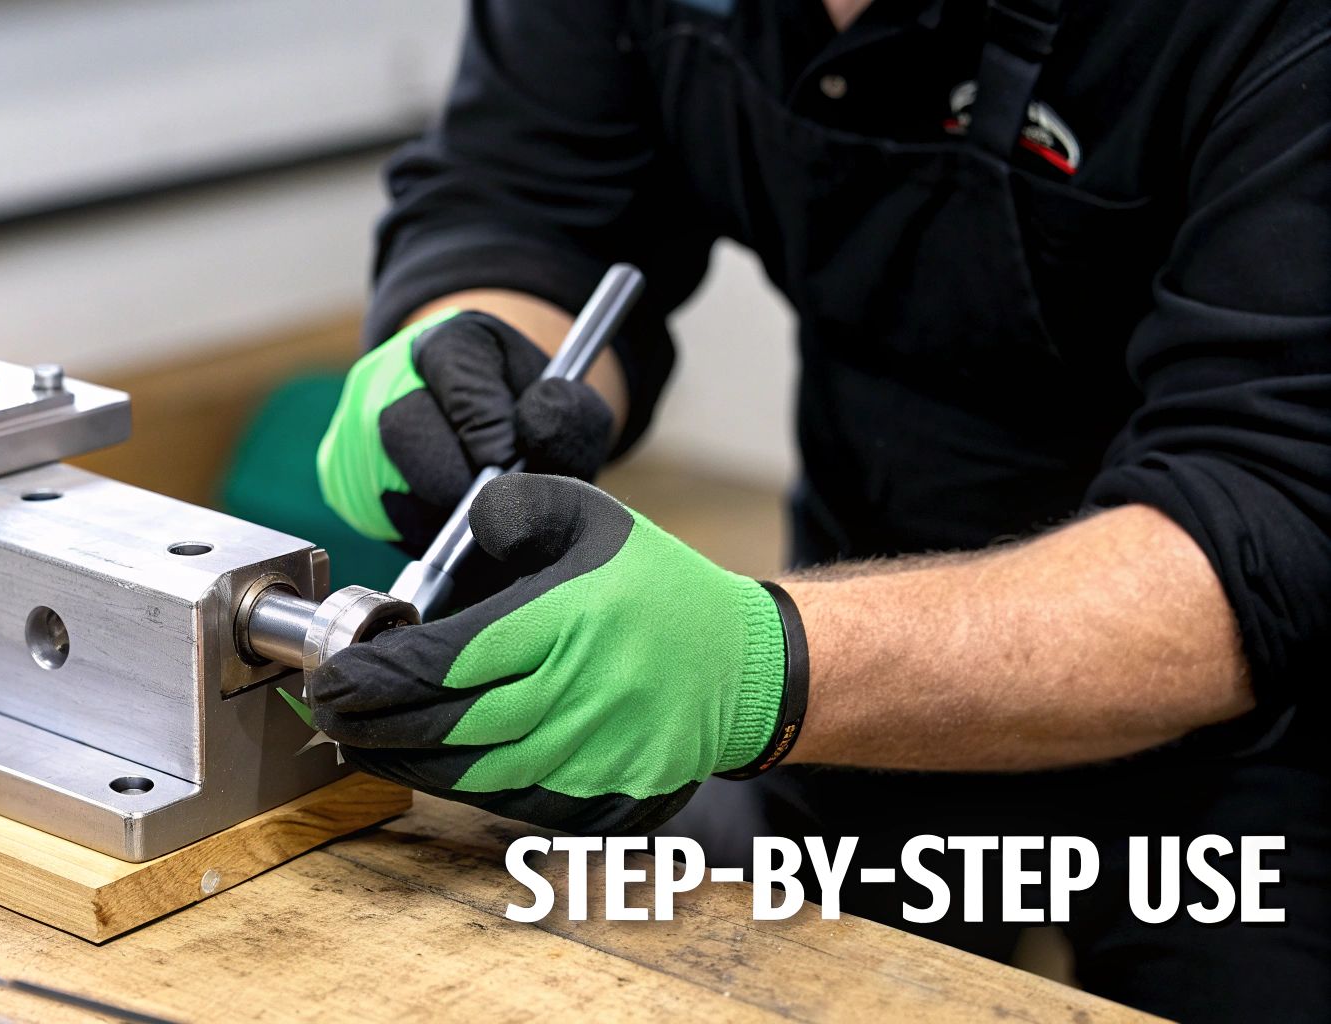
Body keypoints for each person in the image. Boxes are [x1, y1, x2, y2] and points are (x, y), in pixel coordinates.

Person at [305, 1, 1331, 1019]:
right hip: (869, 628)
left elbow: (1264, 518)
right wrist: (469, 350)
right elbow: (526, 198)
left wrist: (755, 667)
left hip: (1267, 732)